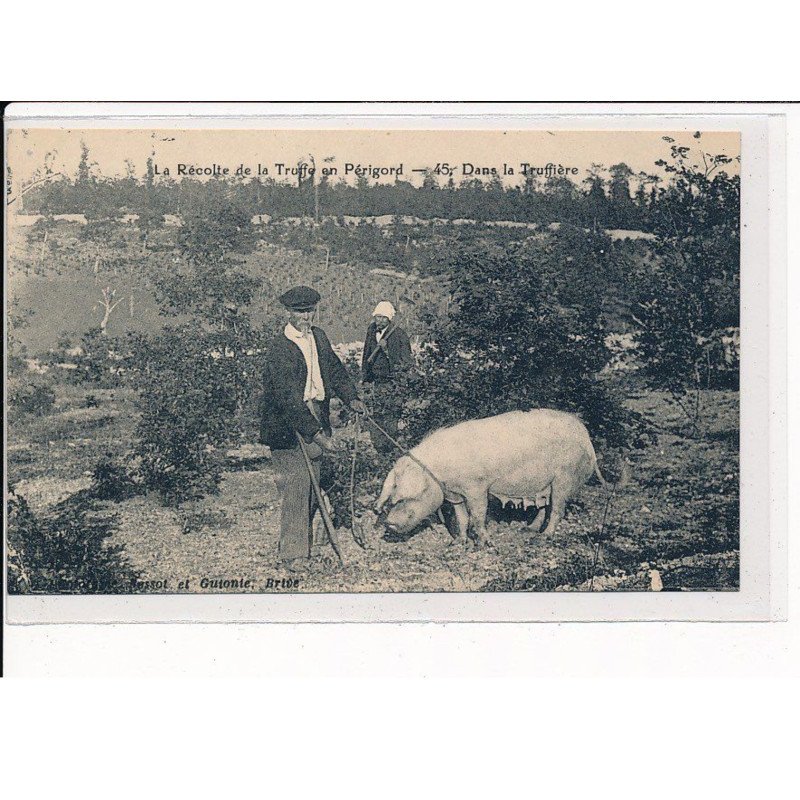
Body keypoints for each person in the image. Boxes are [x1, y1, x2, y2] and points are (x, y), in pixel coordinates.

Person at [260, 285, 366, 565]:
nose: (306, 317)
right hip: (288, 425)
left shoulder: (318, 337)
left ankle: (305, 544)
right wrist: (317, 436)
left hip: (316, 414)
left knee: (314, 485)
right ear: (288, 313)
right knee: (296, 488)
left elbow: (334, 369)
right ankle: (292, 556)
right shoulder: (280, 349)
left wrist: (351, 397)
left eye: (310, 311)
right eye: (300, 312)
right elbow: (287, 400)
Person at [361, 301, 413, 453]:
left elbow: (405, 363)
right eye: (377, 317)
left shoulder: (399, 335)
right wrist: (364, 376)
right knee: (377, 414)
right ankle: (379, 448)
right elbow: (366, 353)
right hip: (377, 382)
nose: (379, 321)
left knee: (390, 416)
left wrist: (387, 350)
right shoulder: (371, 330)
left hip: (392, 383)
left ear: (389, 319)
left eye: (383, 318)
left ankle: (389, 449)